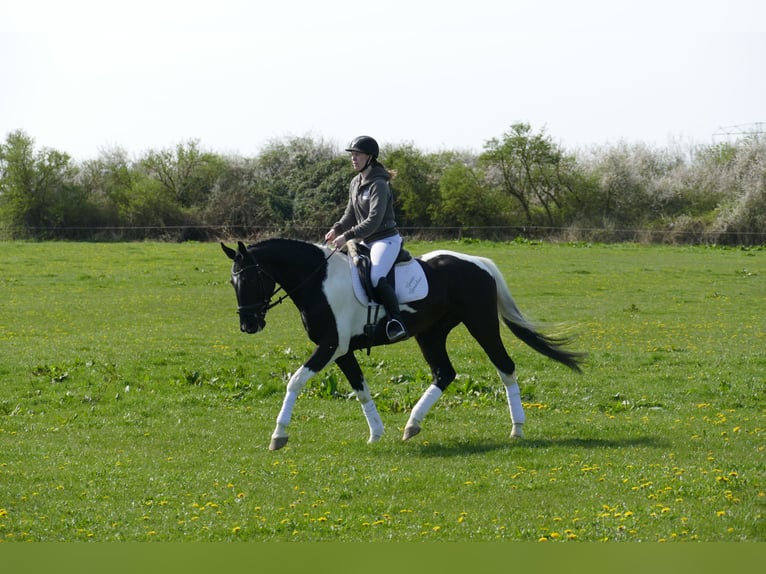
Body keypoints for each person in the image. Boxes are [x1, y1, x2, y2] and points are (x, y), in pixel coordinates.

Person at [325, 135, 408, 342]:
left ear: (370, 157)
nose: (353, 158)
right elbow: (350, 214)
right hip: (366, 241)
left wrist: (347, 236)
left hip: (384, 240)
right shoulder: (356, 182)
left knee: (375, 277)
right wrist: (336, 229)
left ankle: (395, 321)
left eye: (358, 154)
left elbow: (373, 221)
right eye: (352, 155)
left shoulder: (379, 184)